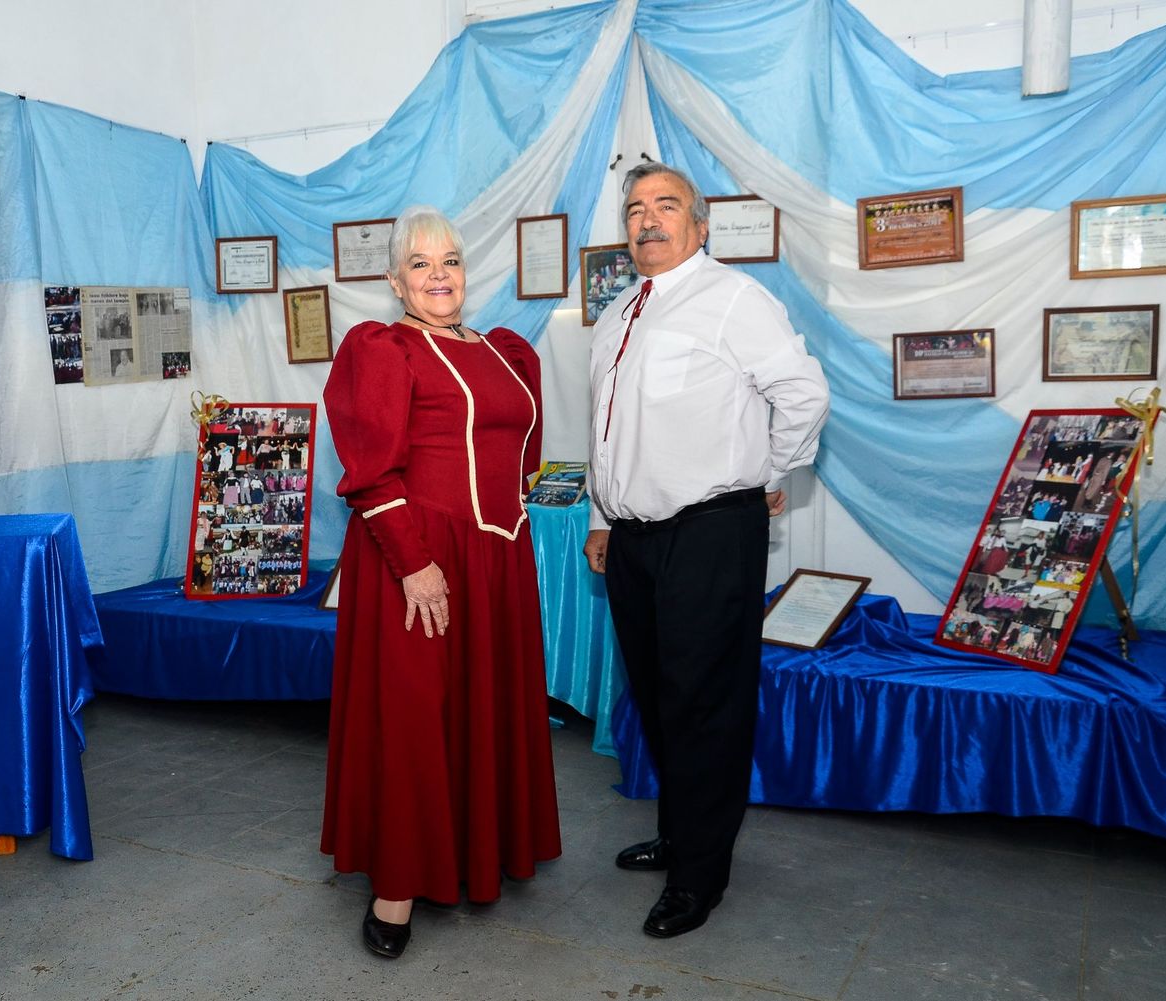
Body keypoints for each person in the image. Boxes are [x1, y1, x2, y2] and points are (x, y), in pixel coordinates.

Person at [582, 162, 830, 938]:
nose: (647, 220)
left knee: (705, 704)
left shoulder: (732, 299)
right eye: (635, 209)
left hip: (710, 532)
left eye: (665, 206)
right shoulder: (618, 310)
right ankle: (682, 832)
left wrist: (765, 472)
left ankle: (701, 876)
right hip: (631, 540)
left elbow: (804, 393)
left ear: (700, 223)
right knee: (659, 696)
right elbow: (605, 425)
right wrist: (600, 514)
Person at [321, 205, 562, 960]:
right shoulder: (385, 349)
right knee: (417, 713)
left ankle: (474, 848)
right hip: (418, 556)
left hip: (495, 558)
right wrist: (413, 559)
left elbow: (521, 452)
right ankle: (396, 887)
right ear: (395, 280)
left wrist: (506, 521)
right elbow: (368, 470)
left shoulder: (505, 350)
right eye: (420, 264)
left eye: (450, 261)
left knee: (481, 705)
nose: (438, 276)